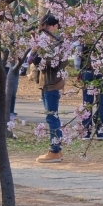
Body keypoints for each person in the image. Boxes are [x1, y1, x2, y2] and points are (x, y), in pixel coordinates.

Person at [31, 14, 66, 163]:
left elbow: (56, 63)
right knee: (51, 116)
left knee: (52, 117)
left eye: (46, 27)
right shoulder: (48, 42)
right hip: (46, 83)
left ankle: (55, 150)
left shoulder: (59, 43)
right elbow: (34, 60)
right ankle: (55, 149)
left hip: (53, 84)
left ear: (54, 26)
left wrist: (40, 56)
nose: (44, 30)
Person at [77, 42, 103, 140]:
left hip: (87, 70)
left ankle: (86, 131)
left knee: (87, 102)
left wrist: (79, 69)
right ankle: (100, 131)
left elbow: (78, 55)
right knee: (101, 102)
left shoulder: (85, 35)